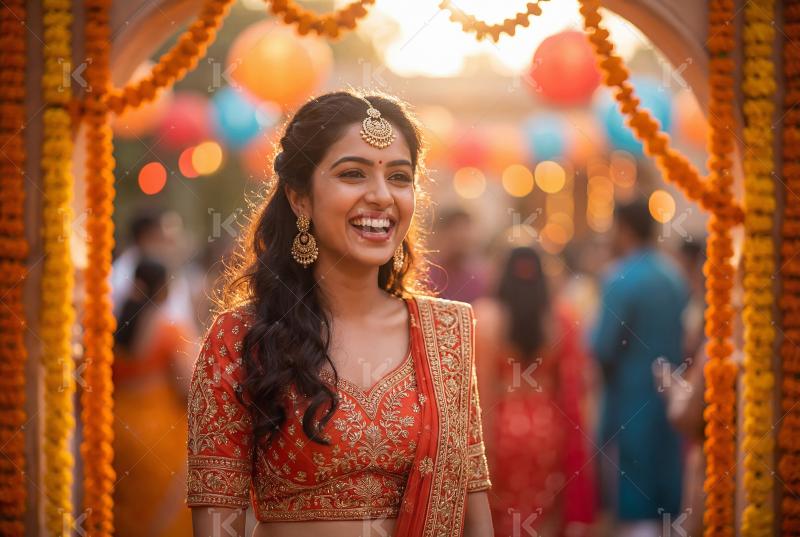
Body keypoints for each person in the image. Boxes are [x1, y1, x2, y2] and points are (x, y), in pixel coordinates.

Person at [186, 91, 494, 537]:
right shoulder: (242, 337)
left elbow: (475, 519)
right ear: (300, 199)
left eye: (400, 177)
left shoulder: (443, 335)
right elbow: (217, 526)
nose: (381, 196)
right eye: (353, 174)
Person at [474, 246, 597, 537]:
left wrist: (481, 450)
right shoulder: (559, 318)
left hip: (502, 427)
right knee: (543, 513)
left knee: (503, 515)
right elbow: (576, 386)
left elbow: (481, 391)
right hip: (546, 429)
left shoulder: (487, 317)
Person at [589, 198, 690, 537]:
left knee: (633, 489)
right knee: (665, 484)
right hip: (670, 398)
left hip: (629, 401)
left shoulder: (621, 277)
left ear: (625, 229)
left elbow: (602, 346)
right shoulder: (674, 275)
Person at [112, 257, 197, 536]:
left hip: (116, 431)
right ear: (165, 289)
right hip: (159, 434)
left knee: (122, 510)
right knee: (164, 517)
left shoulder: (109, 330)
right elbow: (188, 387)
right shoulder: (169, 330)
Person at [428, 207, 489, 303]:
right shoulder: (424, 276)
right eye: (457, 234)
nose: (463, 238)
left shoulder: (477, 280)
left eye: (467, 232)